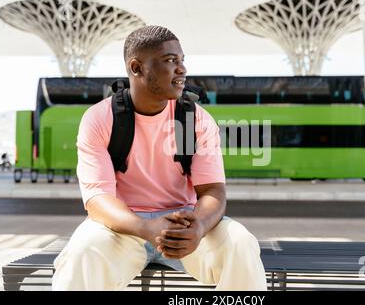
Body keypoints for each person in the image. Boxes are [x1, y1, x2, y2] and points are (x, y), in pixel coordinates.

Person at [52, 25, 267, 291]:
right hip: (123, 227)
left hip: (184, 225)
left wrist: (198, 226)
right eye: (170, 60)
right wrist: (145, 227)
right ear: (137, 68)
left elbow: (211, 189)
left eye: (182, 60)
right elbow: (98, 200)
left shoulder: (193, 119)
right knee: (81, 254)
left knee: (241, 244)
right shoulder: (99, 119)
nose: (182, 69)